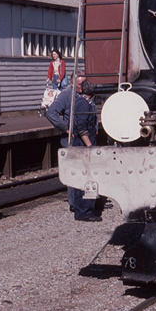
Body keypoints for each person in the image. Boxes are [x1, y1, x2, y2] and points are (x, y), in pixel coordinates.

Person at [46, 75, 101, 222]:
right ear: (72, 83)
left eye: (84, 83)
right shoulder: (68, 96)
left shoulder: (84, 100)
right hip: (76, 141)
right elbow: (51, 113)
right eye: (80, 83)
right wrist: (66, 128)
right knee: (78, 175)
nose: (82, 86)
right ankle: (78, 207)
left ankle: (82, 207)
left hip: (83, 140)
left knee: (82, 175)